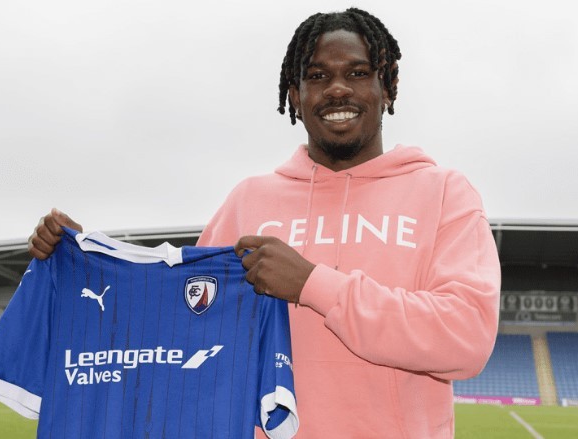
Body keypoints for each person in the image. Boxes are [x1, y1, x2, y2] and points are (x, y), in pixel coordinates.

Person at [29, 7, 500, 438]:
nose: (338, 89)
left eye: (357, 73)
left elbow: (465, 338)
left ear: (388, 84)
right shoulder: (248, 201)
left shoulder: (443, 193)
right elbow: (178, 326)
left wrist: (313, 284)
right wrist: (86, 264)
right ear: (295, 96)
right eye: (318, 77)